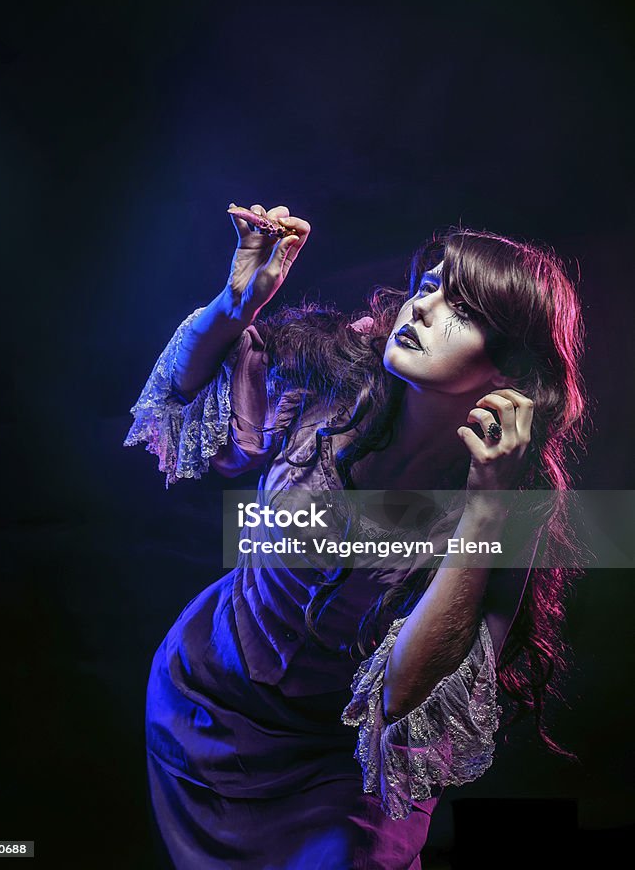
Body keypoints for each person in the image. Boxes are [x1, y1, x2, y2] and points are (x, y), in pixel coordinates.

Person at [123, 204, 586, 869]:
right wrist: (233, 307)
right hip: (202, 705)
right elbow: (183, 412)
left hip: (336, 767)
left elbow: (404, 694)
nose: (423, 309)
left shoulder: (514, 505)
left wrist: (485, 511)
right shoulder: (332, 374)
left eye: (463, 309)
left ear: (512, 374)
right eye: (428, 286)